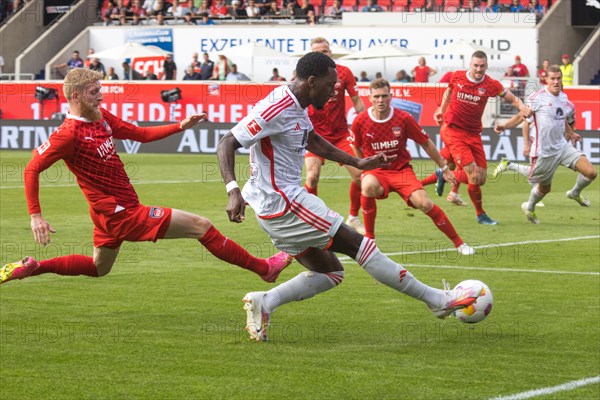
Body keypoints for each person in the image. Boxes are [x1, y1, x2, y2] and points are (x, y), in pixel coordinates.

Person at [216, 52, 484, 342]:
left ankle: (265, 302)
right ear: (312, 81)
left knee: (331, 272)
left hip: (275, 209)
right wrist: (232, 190)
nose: (334, 92)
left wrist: (357, 163)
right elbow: (227, 142)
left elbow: (312, 139)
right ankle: (437, 300)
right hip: (285, 203)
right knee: (361, 245)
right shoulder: (276, 106)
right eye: (331, 85)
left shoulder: (299, 103)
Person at [0, 68, 292, 286]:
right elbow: (31, 168)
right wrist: (35, 215)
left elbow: (139, 134)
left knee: (99, 267)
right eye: (93, 92)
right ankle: (264, 269)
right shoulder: (68, 134)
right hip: (122, 214)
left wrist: (181, 125)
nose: (100, 95)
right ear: (75, 96)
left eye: (99, 89)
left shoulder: (100, 118)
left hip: (106, 214)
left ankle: (34, 267)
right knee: (201, 226)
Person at [350, 79, 475, 254]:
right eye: (376, 96)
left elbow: (426, 143)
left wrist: (444, 168)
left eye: (384, 96)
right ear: (370, 98)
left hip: (401, 171)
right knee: (368, 185)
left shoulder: (403, 118)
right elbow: (355, 145)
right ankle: (370, 241)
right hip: (376, 171)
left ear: (391, 97)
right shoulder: (360, 121)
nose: (380, 100)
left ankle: (459, 243)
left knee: (424, 203)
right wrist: (363, 166)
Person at [433, 50, 532, 225]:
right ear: (470, 65)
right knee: (473, 174)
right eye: (475, 65)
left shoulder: (490, 84)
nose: (478, 69)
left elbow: (512, 99)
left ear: (486, 66)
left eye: (482, 66)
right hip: (453, 131)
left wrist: (522, 107)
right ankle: (480, 215)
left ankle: (443, 173)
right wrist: (442, 109)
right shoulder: (456, 76)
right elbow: (449, 92)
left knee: (481, 178)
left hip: (473, 134)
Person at [493, 66, 597, 223]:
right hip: (544, 151)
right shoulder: (537, 98)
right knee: (543, 187)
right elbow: (521, 117)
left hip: (562, 147)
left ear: (561, 79)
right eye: (552, 79)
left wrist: (569, 132)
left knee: (591, 172)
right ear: (546, 80)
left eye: (558, 78)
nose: (556, 82)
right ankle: (530, 207)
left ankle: (575, 193)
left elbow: (561, 117)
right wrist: (504, 126)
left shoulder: (564, 98)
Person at [304, 37, 367, 235]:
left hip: (340, 136)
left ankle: (353, 217)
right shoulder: (304, 74)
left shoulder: (344, 72)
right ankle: (310, 220)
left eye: (326, 51)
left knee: (360, 176)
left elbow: (357, 102)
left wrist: (364, 121)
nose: (324, 54)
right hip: (314, 136)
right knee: (312, 177)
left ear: (331, 52)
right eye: (318, 52)